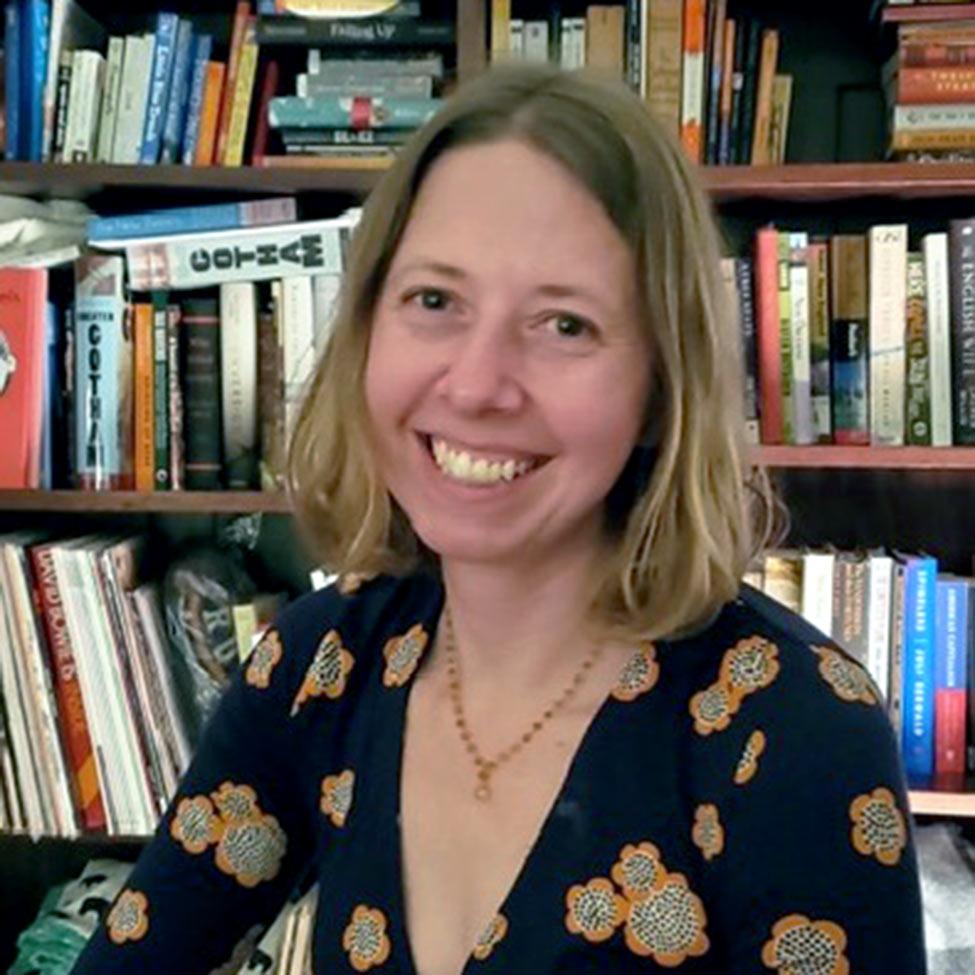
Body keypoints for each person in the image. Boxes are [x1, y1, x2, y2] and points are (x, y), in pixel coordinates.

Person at [70, 62, 926, 975]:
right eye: (434, 301)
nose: (476, 385)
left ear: (660, 384)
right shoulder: (321, 667)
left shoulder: (794, 728)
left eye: (564, 325)